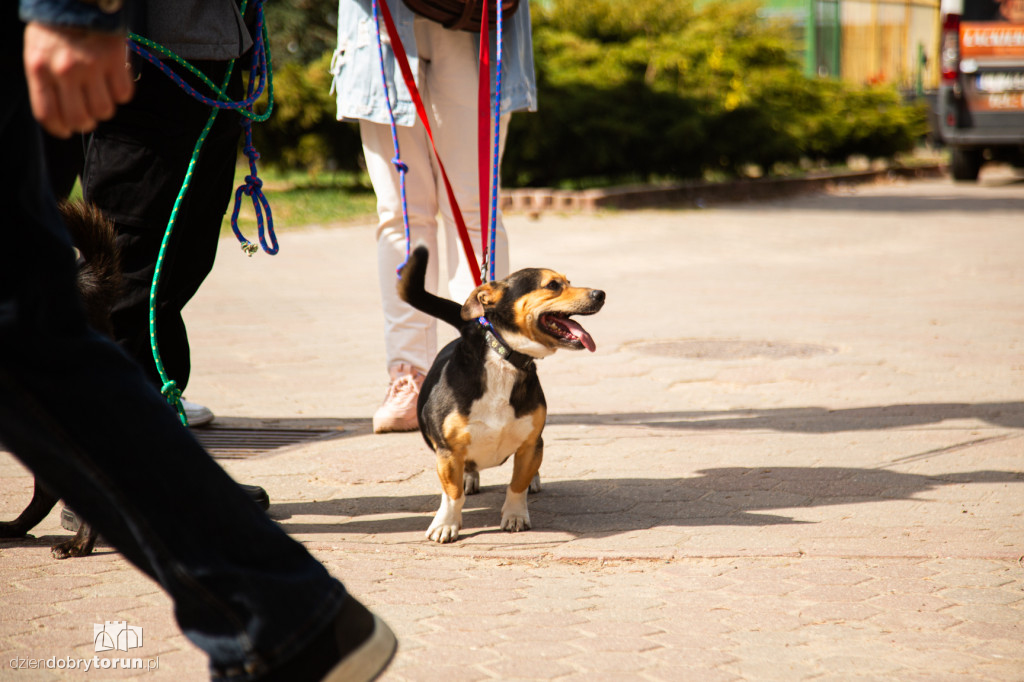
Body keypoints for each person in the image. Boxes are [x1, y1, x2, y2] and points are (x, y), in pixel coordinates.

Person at [7, 4, 395, 680]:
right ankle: (284, 613)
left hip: (163, 39)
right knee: (36, 322)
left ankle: (281, 611)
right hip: (150, 38)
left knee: (36, 322)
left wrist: (68, 9)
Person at [40, 0, 261, 428]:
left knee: (184, 261)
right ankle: (111, 462)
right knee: (124, 271)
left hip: (214, 50)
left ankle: (155, 439)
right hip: (137, 55)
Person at [331, 0, 537, 433]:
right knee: (400, 214)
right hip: (380, 33)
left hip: (473, 25)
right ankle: (409, 373)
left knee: (475, 210)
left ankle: (489, 371)